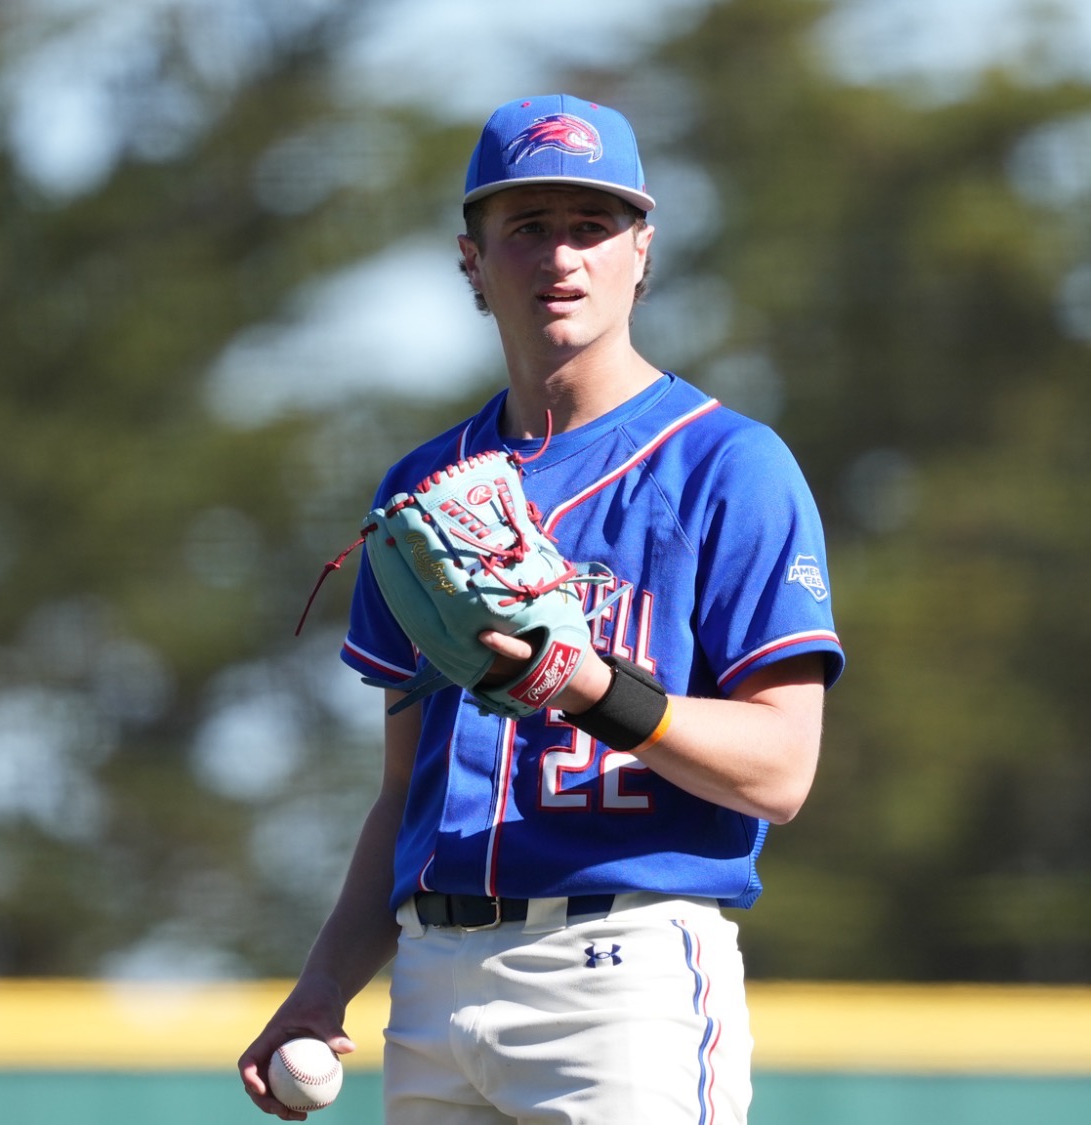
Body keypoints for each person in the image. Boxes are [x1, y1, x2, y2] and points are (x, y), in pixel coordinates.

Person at [238, 93, 844, 1124]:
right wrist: (324, 983)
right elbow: (400, 797)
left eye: (590, 226)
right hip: (431, 985)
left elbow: (780, 772)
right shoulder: (424, 492)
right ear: (470, 257)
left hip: (623, 977)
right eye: (526, 227)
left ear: (640, 250)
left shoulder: (727, 465)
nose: (560, 256)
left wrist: (588, 686)